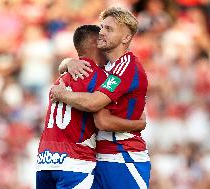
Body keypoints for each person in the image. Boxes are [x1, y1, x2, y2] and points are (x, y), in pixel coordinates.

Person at [51, 7, 150, 189]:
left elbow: (98, 111)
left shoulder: (127, 65)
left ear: (126, 38)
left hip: (124, 157)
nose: (101, 33)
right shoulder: (106, 69)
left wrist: (62, 94)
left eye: (109, 29)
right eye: (102, 27)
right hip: (100, 158)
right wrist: (68, 62)